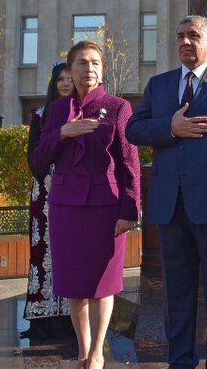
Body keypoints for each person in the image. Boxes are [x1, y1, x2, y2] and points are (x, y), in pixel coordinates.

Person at [126, 15, 207, 369]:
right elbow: (133, 130)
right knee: (177, 293)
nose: (186, 41)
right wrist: (170, 127)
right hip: (170, 208)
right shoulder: (159, 85)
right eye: (181, 36)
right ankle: (180, 361)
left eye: (194, 36)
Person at [31, 41, 141, 369]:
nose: (89, 68)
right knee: (73, 285)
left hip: (106, 208)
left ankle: (96, 354)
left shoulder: (118, 107)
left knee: (102, 284)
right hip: (65, 207)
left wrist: (129, 211)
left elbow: (129, 161)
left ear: (102, 70)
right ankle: (82, 350)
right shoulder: (55, 111)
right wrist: (62, 132)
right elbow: (39, 157)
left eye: (95, 63)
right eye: (82, 63)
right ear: (71, 69)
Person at [22, 62, 75, 342]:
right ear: (53, 84)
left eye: (70, 79)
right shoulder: (40, 116)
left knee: (71, 251)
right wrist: (44, 178)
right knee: (43, 251)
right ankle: (43, 317)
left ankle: (70, 318)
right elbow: (33, 154)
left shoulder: (83, 114)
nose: (65, 84)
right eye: (60, 80)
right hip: (45, 191)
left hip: (74, 189)